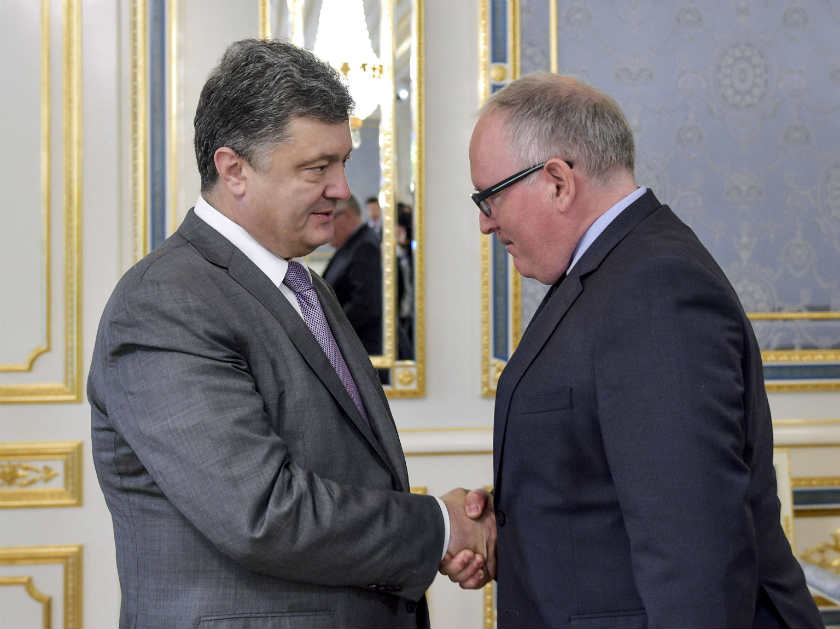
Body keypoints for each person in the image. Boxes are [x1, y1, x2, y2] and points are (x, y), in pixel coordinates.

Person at [88, 39, 494, 629]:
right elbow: (261, 512)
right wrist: (439, 526)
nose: (341, 188)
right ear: (234, 170)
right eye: (316, 167)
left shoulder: (303, 285)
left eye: (342, 162)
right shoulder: (164, 303)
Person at [452, 73, 824, 628]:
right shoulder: (616, 273)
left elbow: (694, 553)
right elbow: (608, 480)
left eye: (490, 196)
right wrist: (519, 531)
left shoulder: (654, 288)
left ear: (556, 180)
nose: (485, 222)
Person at [322, 194, 382, 355]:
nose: (323, 227)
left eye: (327, 219)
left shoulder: (365, 247)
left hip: (366, 350)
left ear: (346, 216)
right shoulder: (352, 245)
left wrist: (326, 331)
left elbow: (365, 305)